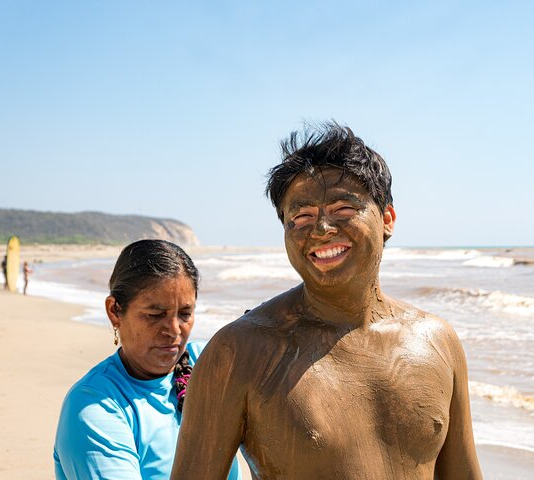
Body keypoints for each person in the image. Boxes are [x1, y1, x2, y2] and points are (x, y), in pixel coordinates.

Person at [172, 123, 483, 479]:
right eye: (301, 217)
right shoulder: (239, 353)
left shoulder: (437, 342)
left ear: (387, 219)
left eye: (342, 209)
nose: (320, 229)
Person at [53, 239, 241, 480]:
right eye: (155, 315)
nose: (174, 330)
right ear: (114, 312)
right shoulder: (95, 406)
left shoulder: (207, 364)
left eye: (185, 314)